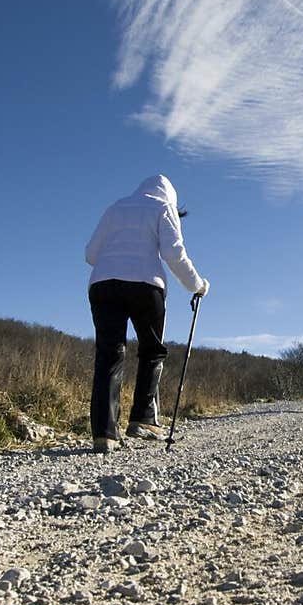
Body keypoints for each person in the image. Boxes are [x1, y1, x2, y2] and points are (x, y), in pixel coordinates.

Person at [85, 174, 209, 453]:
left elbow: (91, 254)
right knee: (152, 350)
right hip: (145, 285)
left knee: (109, 353)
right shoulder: (163, 208)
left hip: (103, 284)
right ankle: (143, 418)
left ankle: (104, 433)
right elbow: (173, 253)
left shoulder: (115, 208)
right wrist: (197, 285)